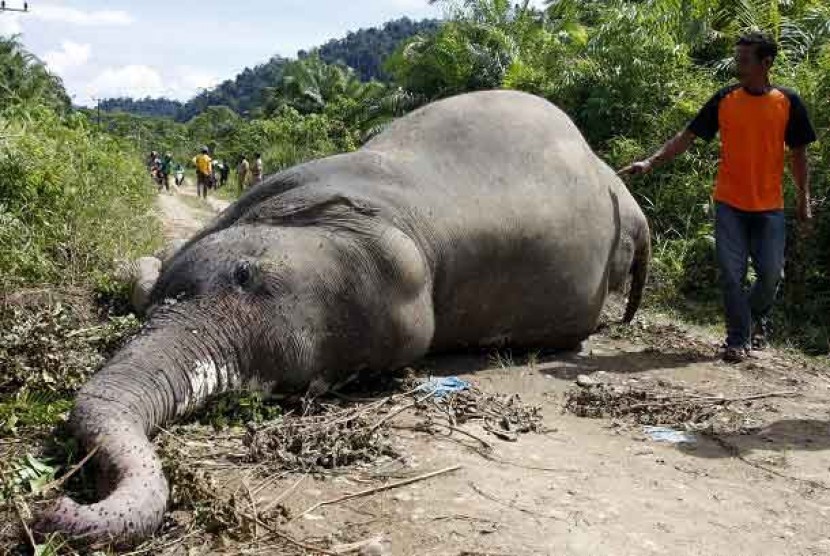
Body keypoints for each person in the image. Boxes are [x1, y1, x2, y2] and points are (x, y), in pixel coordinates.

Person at [619, 32, 817, 363]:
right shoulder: (725, 99)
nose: (737, 65)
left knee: (771, 275)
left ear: (765, 63)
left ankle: (753, 319)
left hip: (770, 207)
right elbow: (687, 136)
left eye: (744, 60)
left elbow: (799, 154)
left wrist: (804, 197)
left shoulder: (788, 102)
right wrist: (650, 161)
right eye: (736, 58)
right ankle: (737, 339)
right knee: (731, 274)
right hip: (730, 204)